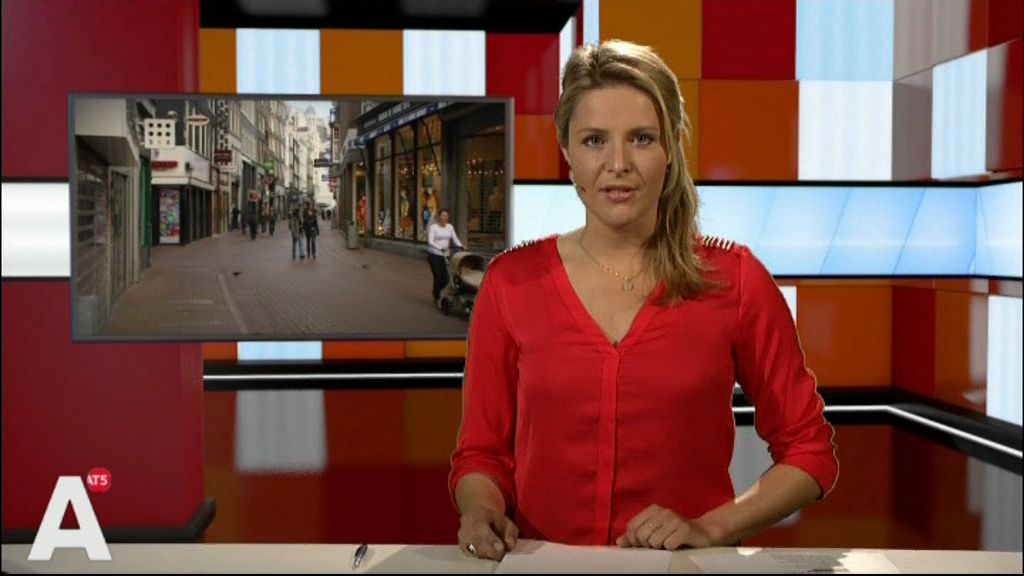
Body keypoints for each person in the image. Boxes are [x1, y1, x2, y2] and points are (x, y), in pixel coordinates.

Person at [450, 40, 838, 561]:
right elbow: (481, 454)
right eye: (594, 140)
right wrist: (481, 509)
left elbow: (810, 453)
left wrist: (711, 528)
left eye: (641, 138)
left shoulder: (736, 279)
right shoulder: (509, 283)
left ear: (670, 148)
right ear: (567, 152)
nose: (618, 163)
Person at [427, 208, 463, 308]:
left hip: (445, 256)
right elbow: (430, 241)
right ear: (439, 217)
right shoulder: (434, 227)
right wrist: (439, 247)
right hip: (434, 255)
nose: (445, 218)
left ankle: (436, 291)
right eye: (443, 215)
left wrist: (461, 246)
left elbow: (455, 239)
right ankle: (437, 297)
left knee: (446, 279)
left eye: (447, 216)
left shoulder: (450, 227)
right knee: (438, 277)